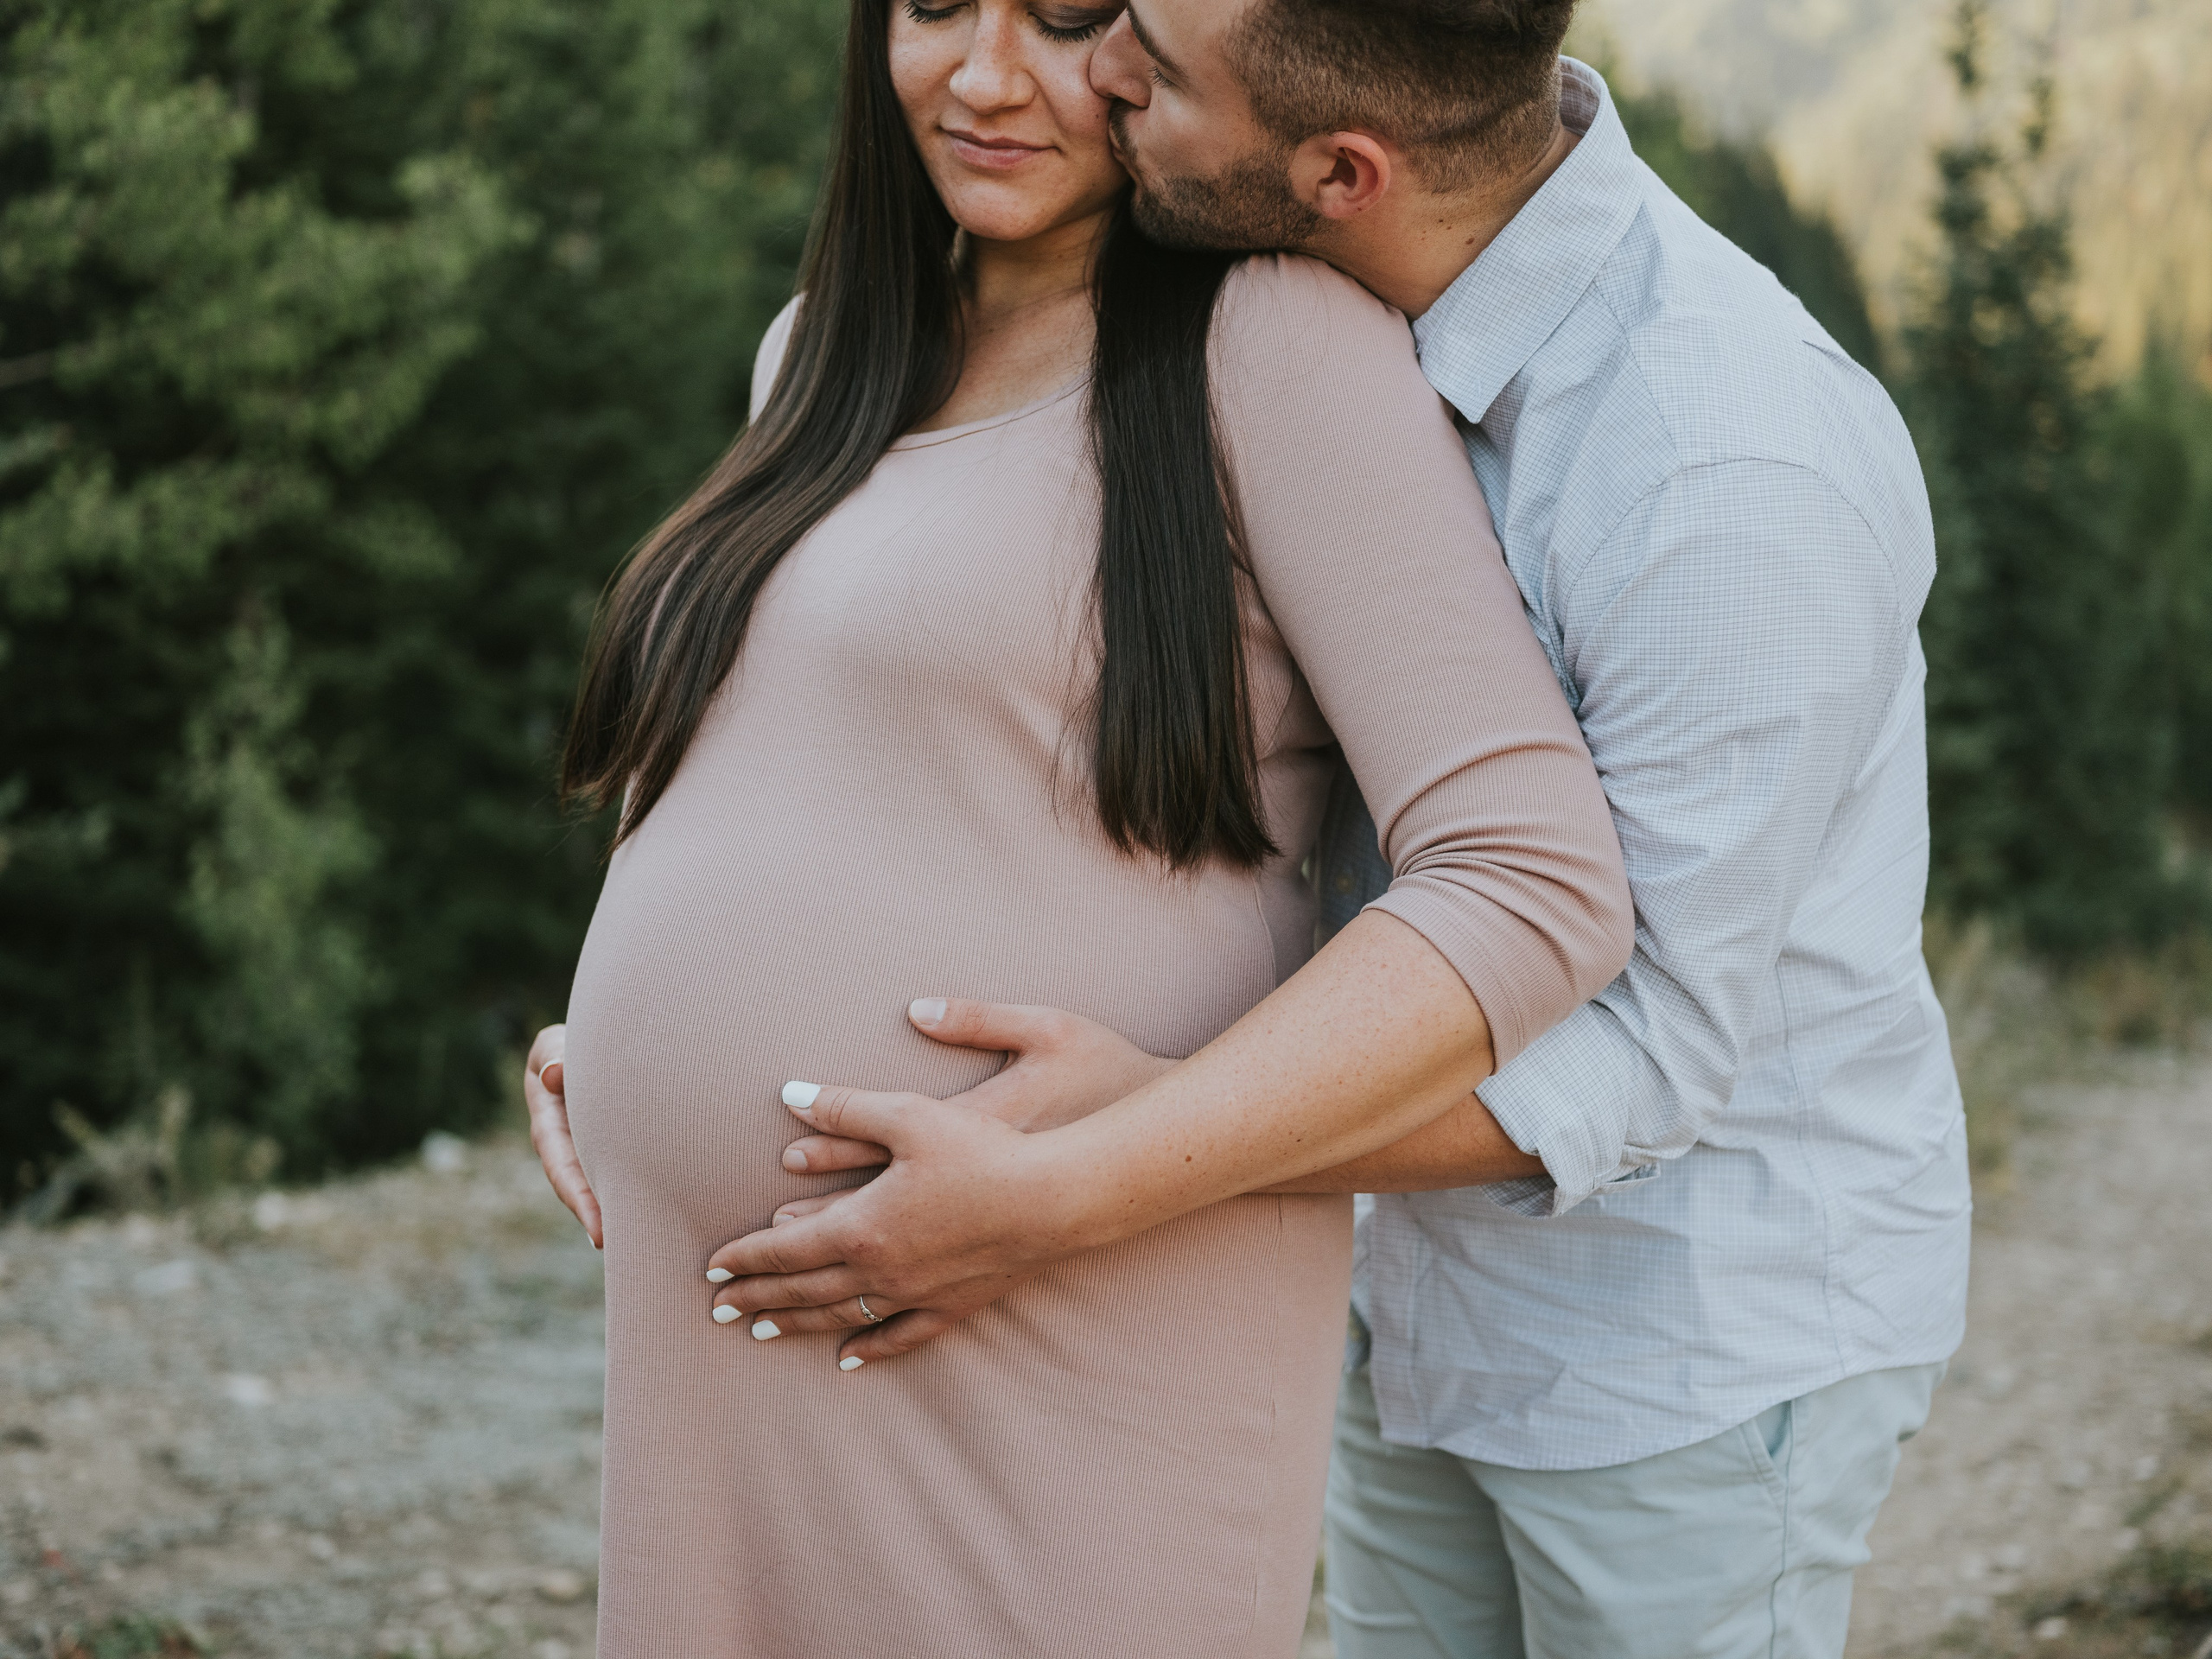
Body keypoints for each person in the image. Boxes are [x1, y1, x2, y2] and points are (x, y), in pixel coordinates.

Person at [645, 3, 1977, 1656]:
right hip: (1414, 1298)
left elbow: (1653, 1044)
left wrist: (1123, 1154)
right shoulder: (1335, 309)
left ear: (1340, 173)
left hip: (1687, 1332)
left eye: (1142, 56)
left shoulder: (1719, 467)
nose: (1105, 76)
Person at [532, 0, 1631, 1650]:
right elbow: (803, 748)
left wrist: (1085, 1181)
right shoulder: (819, 344)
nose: (980, 79)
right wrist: (608, 1040)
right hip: (732, 1345)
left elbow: (1533, 878)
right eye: (930, 8)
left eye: (1058, 19)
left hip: (1070, 1316)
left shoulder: (1268, 338)